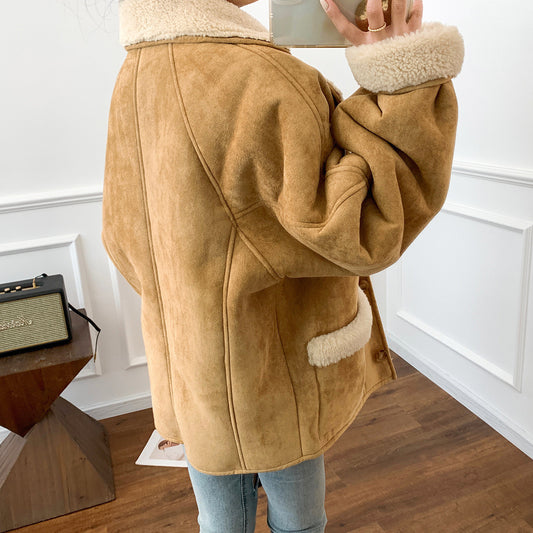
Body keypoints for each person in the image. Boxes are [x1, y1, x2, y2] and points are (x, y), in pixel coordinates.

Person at [101, 0, 464, 531]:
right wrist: (401, 74)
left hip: (195, 371)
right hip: (272, 377)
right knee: (299, 523)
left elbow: (121, 235)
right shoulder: (257, 78)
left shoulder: (136, 72)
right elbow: (365, 227)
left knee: (219, 523)